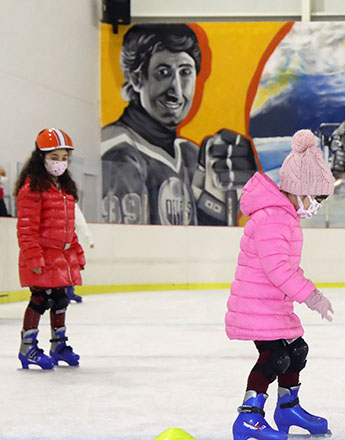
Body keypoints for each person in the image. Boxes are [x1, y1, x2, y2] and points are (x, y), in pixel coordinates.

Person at [226, 129, 335, 438]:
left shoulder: (285, 216)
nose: (316, 206)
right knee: (276, 356)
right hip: (256, 304)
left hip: (272, 303)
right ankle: (249, 416)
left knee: (296, 349)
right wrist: (311, 296)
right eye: (316, 197)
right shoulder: (274, 217)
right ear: (298, 189)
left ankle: (288, 410)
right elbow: (278, 269)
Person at [102, 24, 258, 226]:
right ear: (137, 79)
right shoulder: (118, 155)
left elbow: (206, 244)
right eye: (163, 72)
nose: (176, 89)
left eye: (185, 72)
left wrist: (222, 198)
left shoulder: (191, 154)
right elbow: (130, 248)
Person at [14, 128, 85, 369]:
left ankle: (58, 345)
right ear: (41, 158)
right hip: (42, 255)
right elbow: (26, 229)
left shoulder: (64, 190)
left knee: (60, 298)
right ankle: (28, 348)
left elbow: (68, 228)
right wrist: (33, 257)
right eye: (54, 157)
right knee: (40, 299)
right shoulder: (32, 189)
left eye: (64, 158)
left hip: (60, 257)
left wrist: (77, 253)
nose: (59, 163)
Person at [65, 202, 95, 303]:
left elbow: (79, 221)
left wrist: (89, 239)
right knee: (69, 266)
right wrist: (89, 239)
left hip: (59, 240)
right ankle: (67, 291)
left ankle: (67, 290)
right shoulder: (70, 202)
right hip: (68, 241)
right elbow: (80, 222)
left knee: (67, 266)